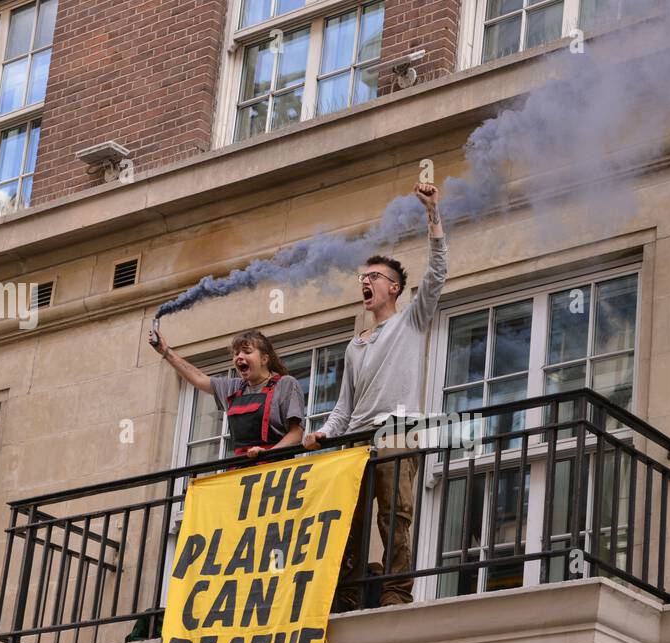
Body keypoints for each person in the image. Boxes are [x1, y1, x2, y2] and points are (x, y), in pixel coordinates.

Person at [302, 182, 447, 609]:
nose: (365, 282)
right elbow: (343, 410)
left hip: (398, 429)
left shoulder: (410, 323)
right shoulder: (356, 344)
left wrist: (433, 213)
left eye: (374, 277)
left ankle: (396, 590)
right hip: (355, 440)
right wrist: (322, 435)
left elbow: (437, 275)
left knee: (394, 514)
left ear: (395, 289)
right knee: (351, 519)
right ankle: (347, 594)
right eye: (362, 277)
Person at [149, 328, 306, 460]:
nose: (239, 357)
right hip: (240, 471)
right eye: (236, 353)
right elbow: (198, 378)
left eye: (247, 352)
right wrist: (165, 351)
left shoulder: (285, 384)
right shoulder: (233, 388)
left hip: (276, 469)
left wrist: (267, 454)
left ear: (264, 359)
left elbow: (297, 433)